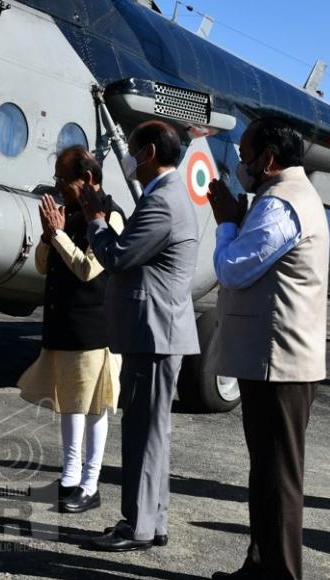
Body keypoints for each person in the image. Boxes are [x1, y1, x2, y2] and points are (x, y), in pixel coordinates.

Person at [206, 120, 329, 580]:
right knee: (267, 474)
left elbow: (233, 269)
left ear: (269, 160)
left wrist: (226, 225)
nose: (241, 162)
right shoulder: (282, 197)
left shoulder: (280, 204)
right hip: (273, 361)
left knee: (278, 479)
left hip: (280, 364)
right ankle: (260, 566)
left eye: (246, 153)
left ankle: (280, 575)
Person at [79, 120, 200, 552]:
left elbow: (119, 255)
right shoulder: (161, 197)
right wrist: (105, 206)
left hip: (154, 334)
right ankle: (152, 520)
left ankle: (139, 526)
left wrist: (95, 220)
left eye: (130, 149)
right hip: (156, 332)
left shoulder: (162, 202)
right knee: (152, 433)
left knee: (143, 433)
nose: (126, 156)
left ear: (148, 153)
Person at [17, 146, 125, 513]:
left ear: (90, 179)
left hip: (94, 331)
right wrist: (49, 236)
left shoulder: (110, 215)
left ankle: (91, 484)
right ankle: (68, 478)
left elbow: (88, 269)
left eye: (65, 179)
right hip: (64, 326)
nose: (59, 187)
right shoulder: (71, 215)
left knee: (94, 408)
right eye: (58, 179)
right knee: (68, 405)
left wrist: (60, 234)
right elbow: (44, 266)